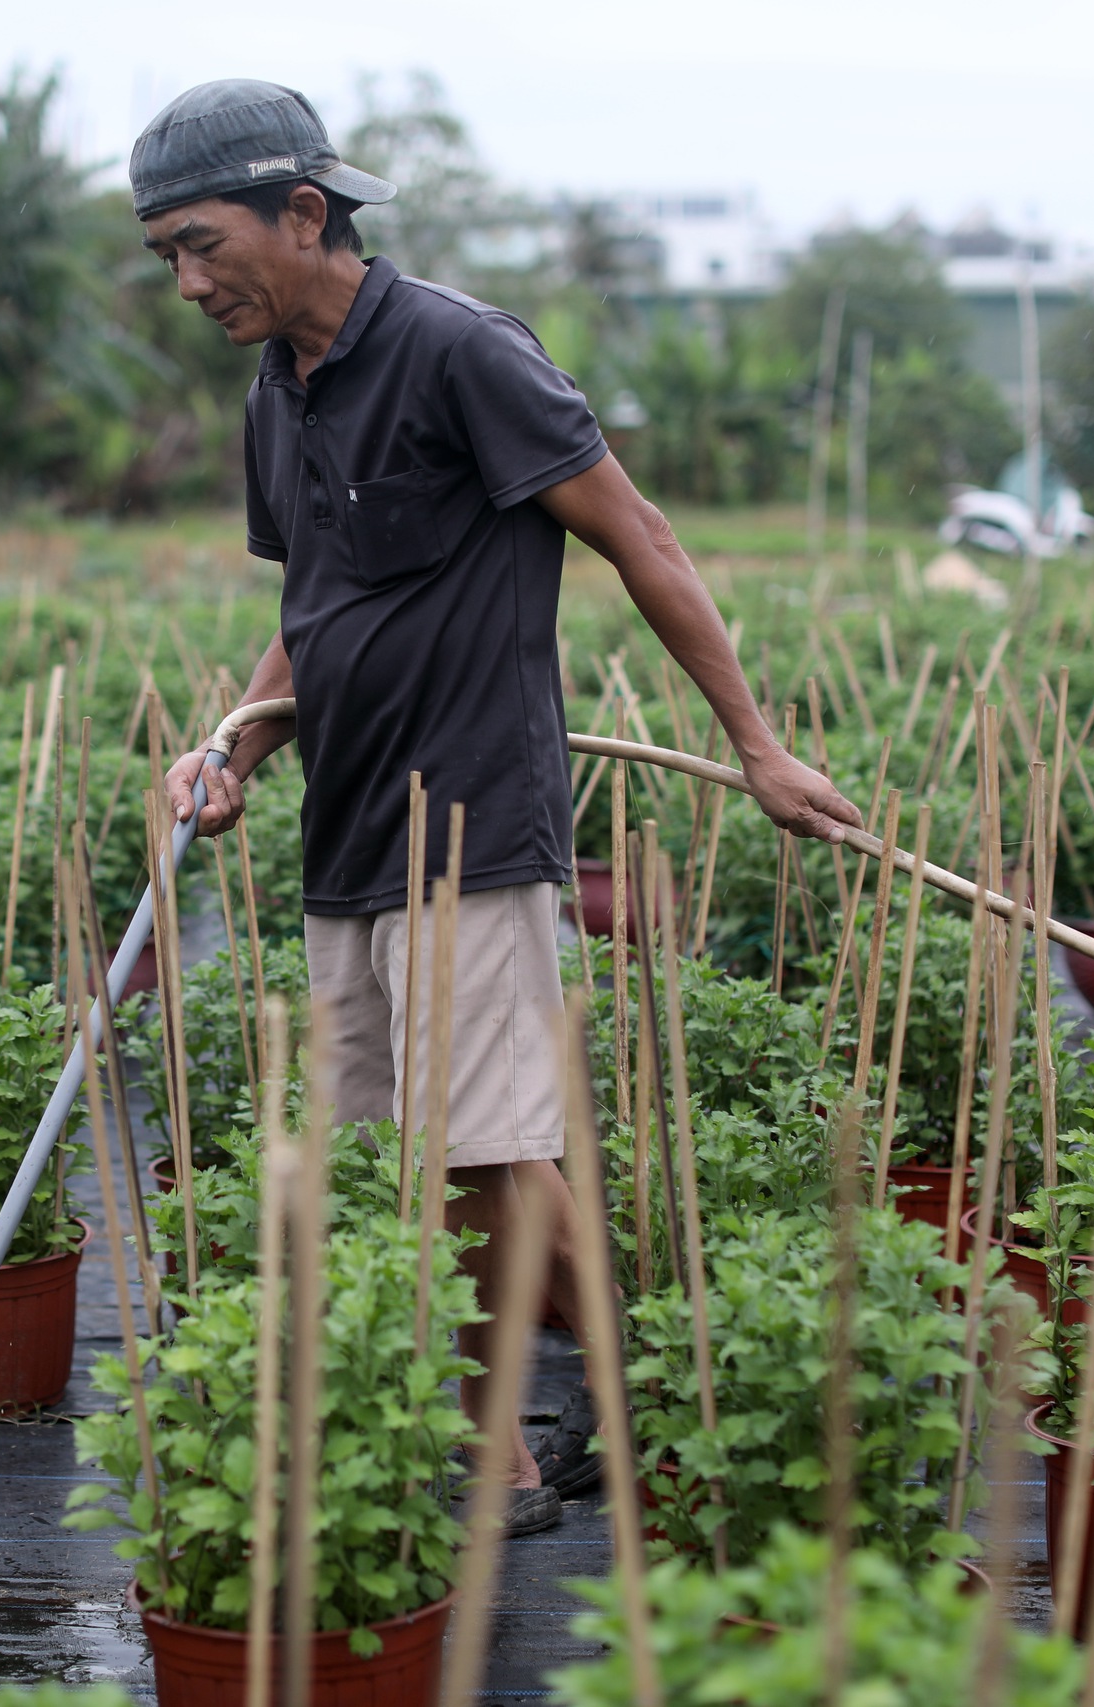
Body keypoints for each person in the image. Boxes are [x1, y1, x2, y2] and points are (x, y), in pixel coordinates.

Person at [131, 79, 859, 1535]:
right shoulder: (278, 395)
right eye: (165, 256)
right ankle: (660, 1403)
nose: (190, 282)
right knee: (421, 1164)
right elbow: (313, 610)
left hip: (470, 819)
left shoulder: (459, 350)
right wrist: (240, 747)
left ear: (304, 212)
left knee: (478, 1161)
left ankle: (515, 1453)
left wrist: (760, 746)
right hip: (347, 830)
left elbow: (637, 534)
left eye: (205, 244)